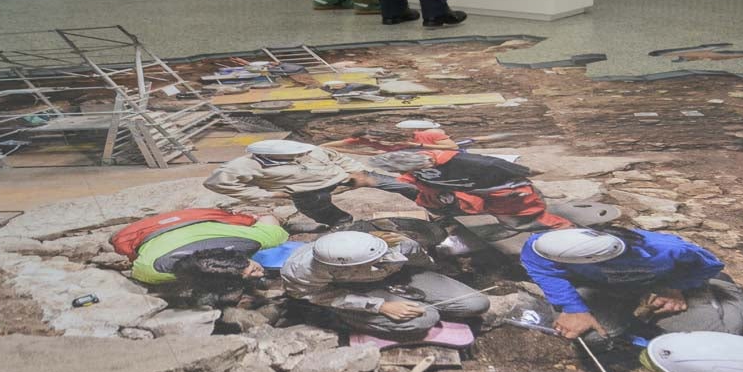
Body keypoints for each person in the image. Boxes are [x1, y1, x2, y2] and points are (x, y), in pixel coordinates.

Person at [520, 227, 743, 346]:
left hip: (660, 283)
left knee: (717, 338)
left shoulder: (661, 249)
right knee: (595, 338)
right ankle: (639, 321)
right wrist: (573, 307)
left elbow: (708, 264)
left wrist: (674, 287)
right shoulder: (543, 245)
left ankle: (728, 293)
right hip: (606, 288)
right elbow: (541, 268)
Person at [281, 229, 489, 338]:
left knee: (476, 304)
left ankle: (410, 301)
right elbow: (319, 296)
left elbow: (422, 262)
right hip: (348, 292)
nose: (379, 261)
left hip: (397, 278)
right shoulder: (302, 271)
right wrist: (381, 306)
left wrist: (435, 282)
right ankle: (343, 321)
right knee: (425, 319)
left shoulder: (397, 245)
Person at [203, 139, 375, 228]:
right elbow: (217, 184)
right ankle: (341, 222)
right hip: (305, 190)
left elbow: (338, 157)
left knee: (388, 182)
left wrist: (357, 171)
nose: (302, 154)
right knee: (318, 206)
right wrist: (265, 195)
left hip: (337, 179)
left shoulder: (309, 151)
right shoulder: (240, 167)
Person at [127, 212, 289, 285]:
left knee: (270, 231)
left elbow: (268, 219)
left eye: (254, 269)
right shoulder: (149, 272)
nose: (261, 273)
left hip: (181, 225)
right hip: (164, 228)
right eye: (254, 271)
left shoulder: (250, 241)